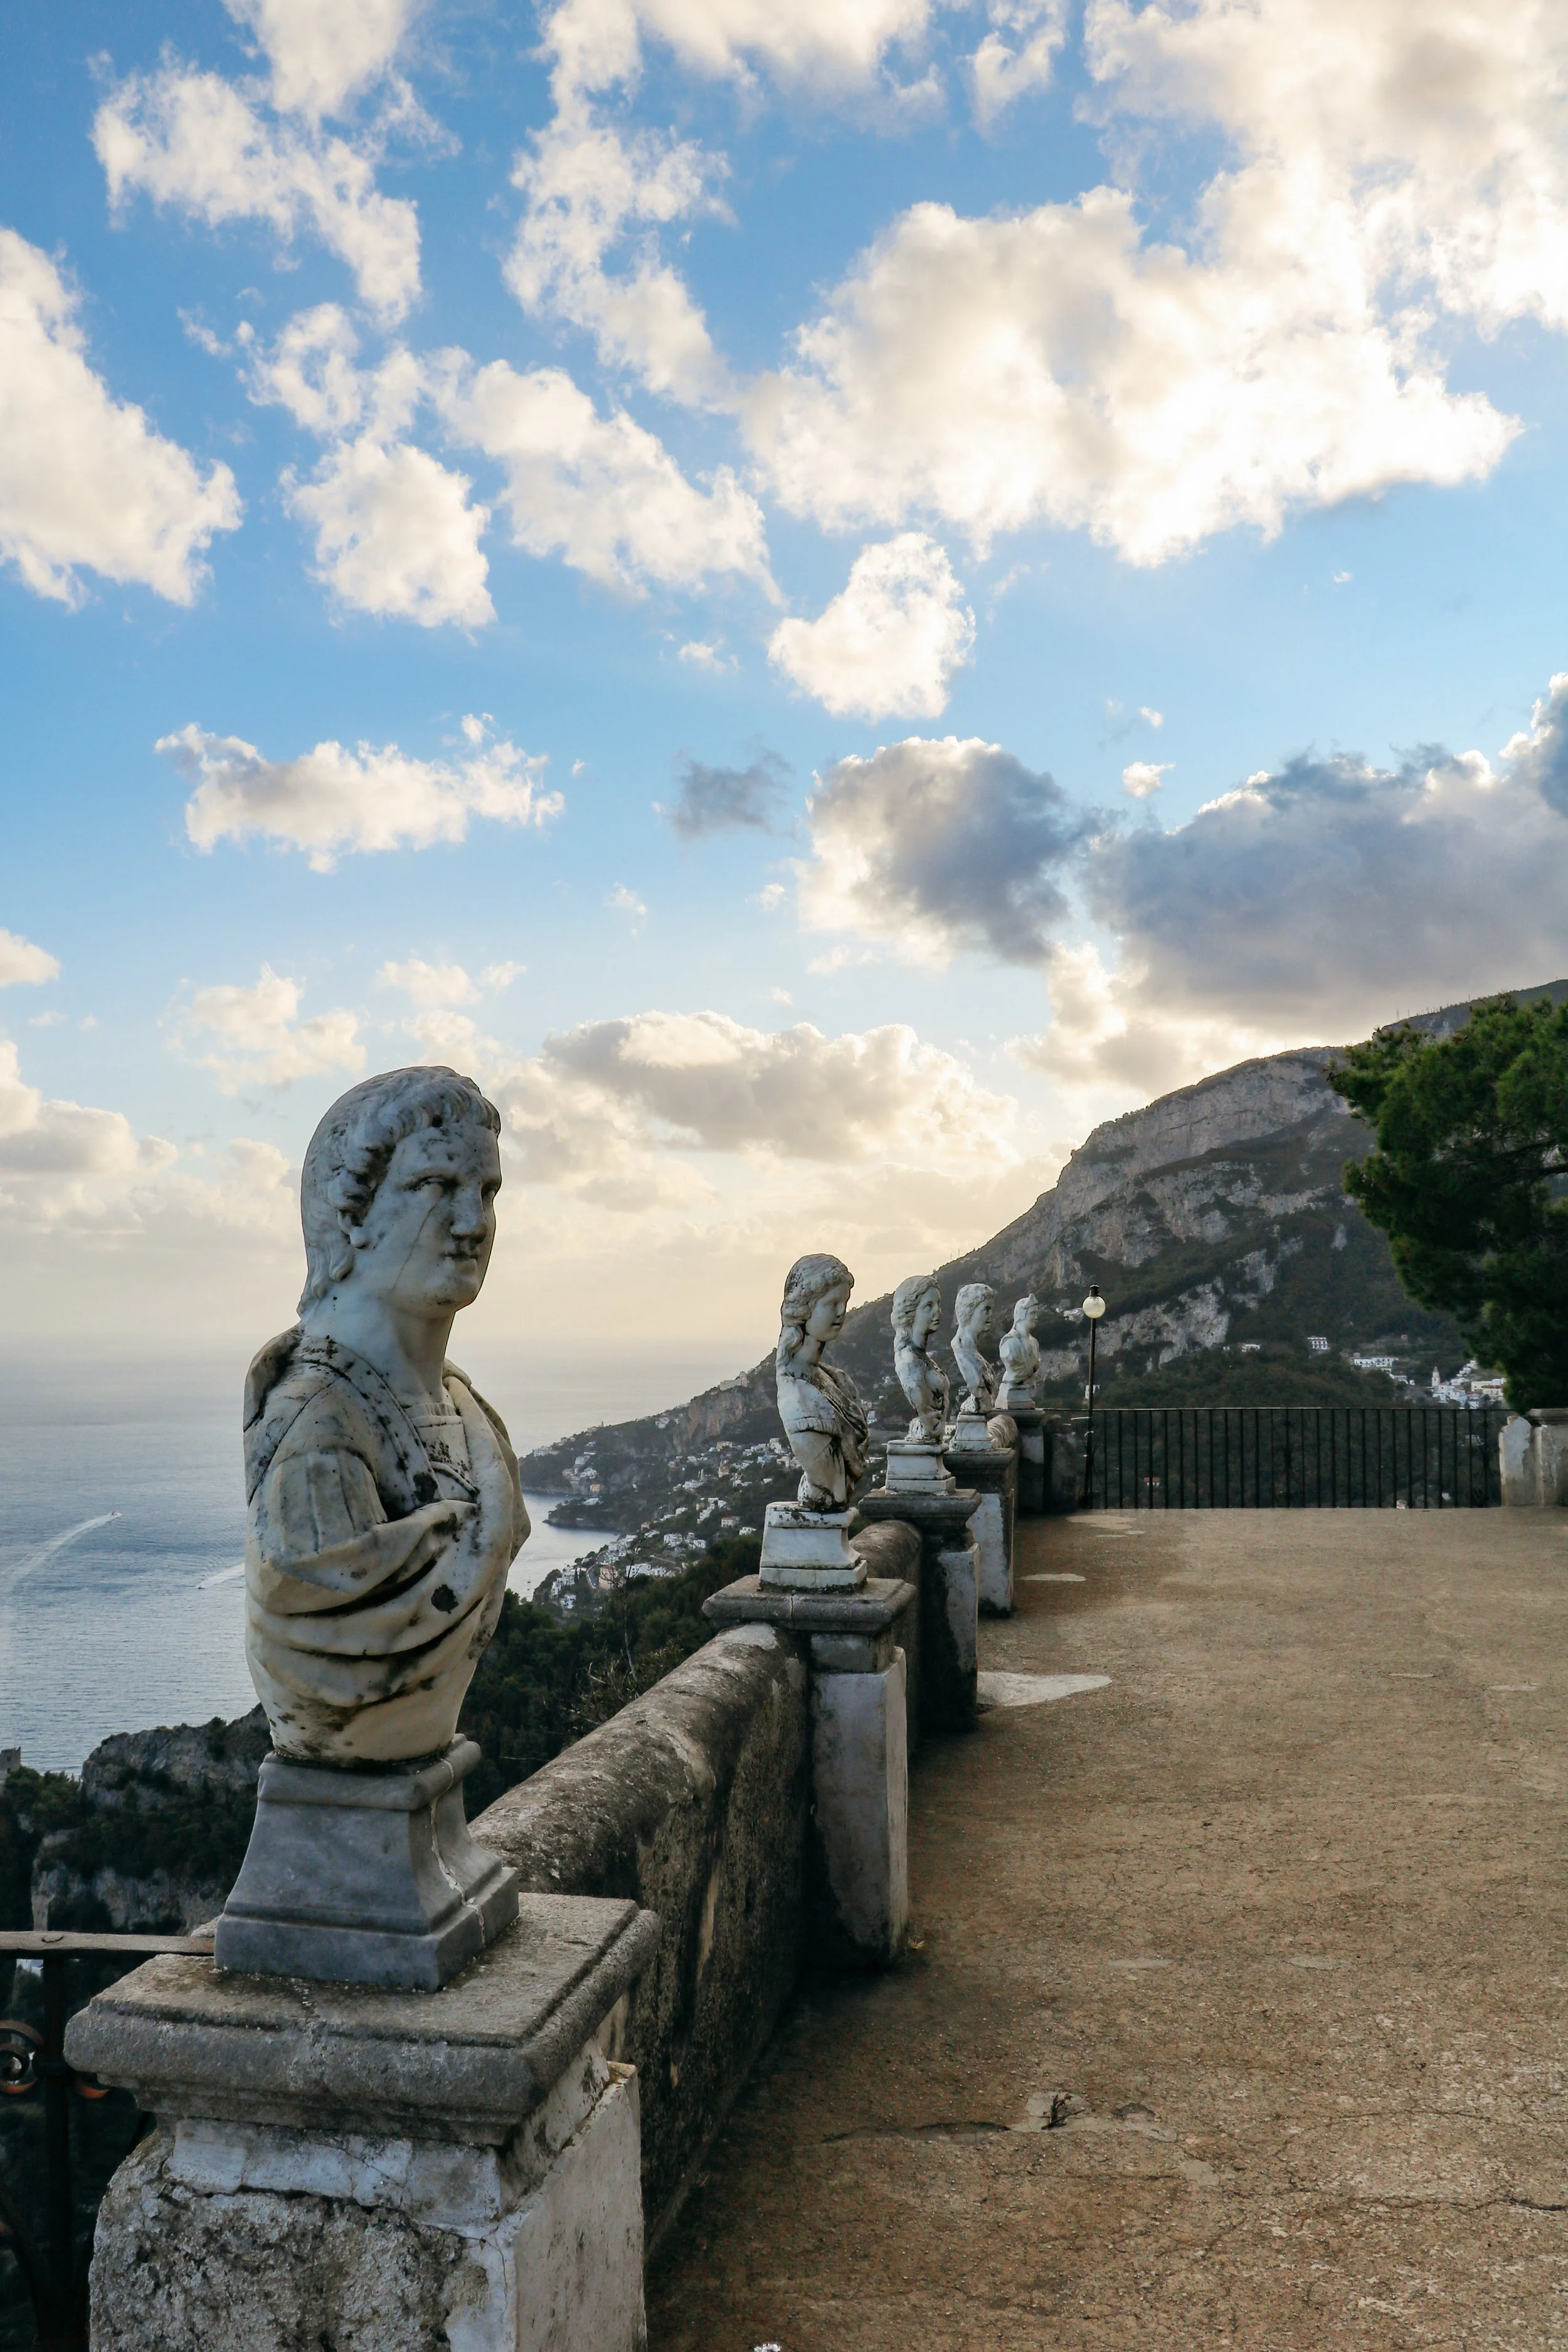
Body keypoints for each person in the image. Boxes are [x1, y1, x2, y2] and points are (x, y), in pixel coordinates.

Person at [241, 1066, 528, 1765]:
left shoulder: (465, 1412)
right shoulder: (317, 1432)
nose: (472, 1223)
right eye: (435, 1187)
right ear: (350, 1217)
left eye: (486, 1192)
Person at [775, 1252, 869, 1510]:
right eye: (832, 1303)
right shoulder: (796, 1397)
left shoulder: (837, 1380)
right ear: (805, 1308)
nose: (842, 1312)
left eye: (845, 1303)